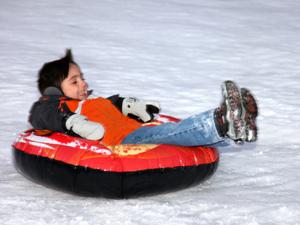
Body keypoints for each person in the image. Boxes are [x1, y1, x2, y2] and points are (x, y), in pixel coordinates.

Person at [29, 49, 258, 147]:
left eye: (83, 77)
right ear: (55, 89)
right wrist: (70, 122)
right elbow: (42, 116)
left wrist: (133, 106)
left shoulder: (91, 102)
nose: (83, 84)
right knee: (171, 133)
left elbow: (115, 103)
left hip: (136, 131)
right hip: (123, 142)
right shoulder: (57, 107)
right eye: (74, 81)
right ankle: (220, 120)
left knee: (176, 131)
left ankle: (236, 126)